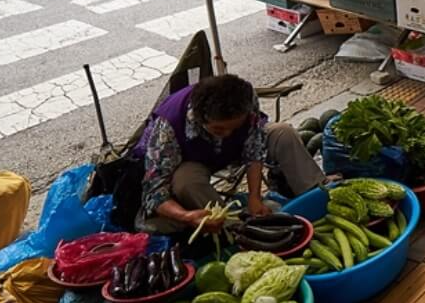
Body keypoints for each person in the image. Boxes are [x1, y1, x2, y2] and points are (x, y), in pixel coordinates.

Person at [135, 74, 324, 233]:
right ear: (200, 119)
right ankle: (235, 229)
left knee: (283, 132)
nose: (228, 134)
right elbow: (153, 193)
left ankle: (317, 196)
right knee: (186, 181)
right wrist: (186, 216)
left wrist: (254, 197)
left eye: (235, 127)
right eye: (219, 130)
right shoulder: (168, 127)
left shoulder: (246, 98)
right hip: (193, 160)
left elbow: (254, 147)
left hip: (235, 151)